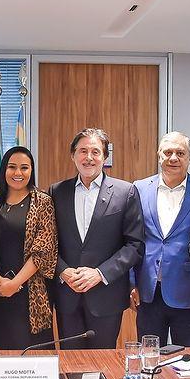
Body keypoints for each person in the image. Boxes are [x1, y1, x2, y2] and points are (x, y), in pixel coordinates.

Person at [50, 128, 144, 349]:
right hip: (67, 295)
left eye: (95, 151)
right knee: (70, 363)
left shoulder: (126, 192)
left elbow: (135, 245)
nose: (89, 157)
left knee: (103, 363)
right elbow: (48, 242)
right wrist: (62, 270)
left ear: (105, 157)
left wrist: (100, 274)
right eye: (83, 151)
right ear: (73, 155)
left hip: (106, 297)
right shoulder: (57, 192)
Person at [131, 132, 190, 349]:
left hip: (189, 294)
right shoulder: (139, 189)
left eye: (180, 153)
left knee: (187, 359)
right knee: (149, 356)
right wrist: (131, 283)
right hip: (148, 292)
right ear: (159, 155)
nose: (173, 158)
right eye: (167, 152)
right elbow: (131, 240)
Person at [0, 146, 58, 350]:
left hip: (30, 292)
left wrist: (14, 284)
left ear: (31, 170)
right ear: (4, 170)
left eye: (24, 167)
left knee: (32, 356)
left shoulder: (42, 201)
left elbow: (43, 249)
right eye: (12, 167)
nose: (18, 173)